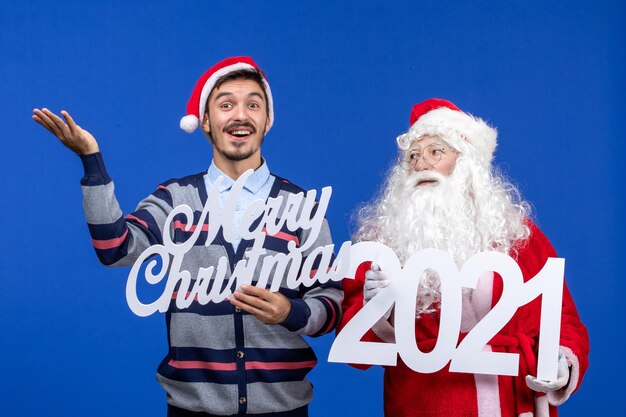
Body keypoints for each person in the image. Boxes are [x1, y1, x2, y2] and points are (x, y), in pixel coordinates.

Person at [33, 56, 342, 417]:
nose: (240, 115)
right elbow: (114, 248)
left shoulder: (300, 207)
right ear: (206, 121)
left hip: (285, 408)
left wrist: (292, 311)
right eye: (226, 104)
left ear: (267, 120)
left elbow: (333, 302)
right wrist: (91, 159)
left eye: (253, 104)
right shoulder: (175, 200)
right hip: (191, 409)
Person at [339, 98, 589, 417]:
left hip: (512, 402)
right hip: (424, 405)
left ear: (466, 161)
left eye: (435, 152)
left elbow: (563, 319)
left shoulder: (516, 233)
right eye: (412, 156)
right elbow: (355, 353)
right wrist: (378, 310)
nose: (420, 164)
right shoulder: (383, 242)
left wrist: (561, 361)